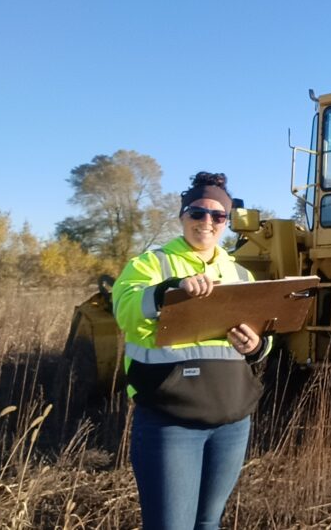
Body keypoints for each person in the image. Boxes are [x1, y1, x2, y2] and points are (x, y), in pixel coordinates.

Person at [113, 171, 270, 530]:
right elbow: (125, 311)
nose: (207, 222)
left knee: (209, 523)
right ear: (182, 215)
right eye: (198, 212)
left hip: (232, 422)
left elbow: (264, 334)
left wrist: (257, 345)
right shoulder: (150, 264)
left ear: (227, 222)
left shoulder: (240, 274)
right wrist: (170, 291)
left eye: (218, 215)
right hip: (171, 421)